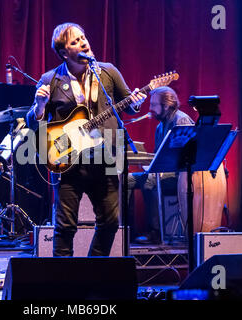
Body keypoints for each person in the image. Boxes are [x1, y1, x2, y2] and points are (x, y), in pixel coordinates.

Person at [26, 22, 147, 256]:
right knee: (65, 226)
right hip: (68, 160)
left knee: (111, 223)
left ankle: (92, 272)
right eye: (75, 41)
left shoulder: (108, 72)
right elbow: (34, 123)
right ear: (64, 52)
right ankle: (64, 284)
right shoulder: (50, 79)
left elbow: (129, 106)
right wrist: (39, 106)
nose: (83, 42)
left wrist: (136, 102)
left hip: (106, 159)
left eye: (83, 37)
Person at [128, 86, 194, 243]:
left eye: (153, 105)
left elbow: (189, 155)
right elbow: (159, 156)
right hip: (163, 172)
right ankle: (127, 232)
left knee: (150, 180)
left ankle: (155, 232)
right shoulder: (160, 126)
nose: (150, 109)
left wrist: (154, 168)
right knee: (126, 179)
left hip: (181, 176)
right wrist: (143, 160)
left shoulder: (181, 120)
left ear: (166, 105)